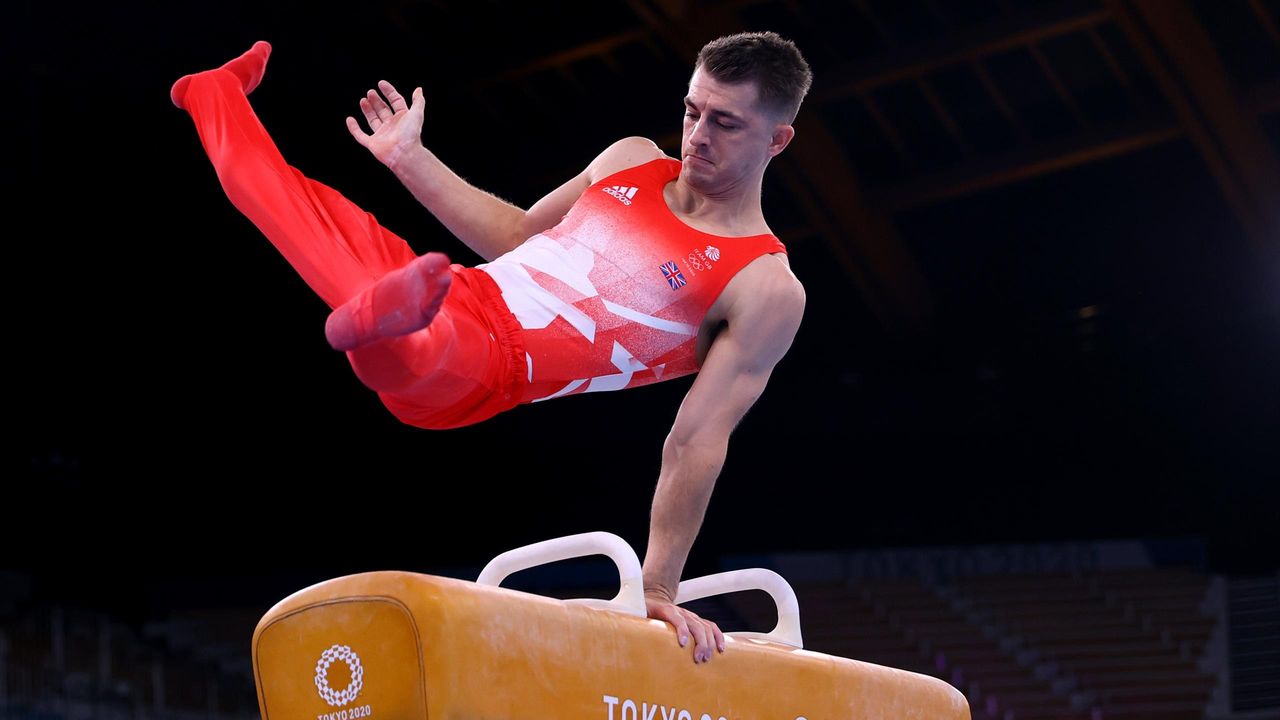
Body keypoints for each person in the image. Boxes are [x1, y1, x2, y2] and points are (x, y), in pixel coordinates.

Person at [170, 31, 811, 665]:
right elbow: (518, 235)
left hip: (486, 368)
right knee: (288, 203)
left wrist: (655, 587)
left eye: (725, 123)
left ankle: (374, 321)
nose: (697, 135)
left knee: (422, 343)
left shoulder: (762, 285)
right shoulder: (631, 160)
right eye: (692, 110)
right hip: (453, 291)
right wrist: (408, 158)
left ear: (777, 139)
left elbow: (694, 441)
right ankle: (212, 93)